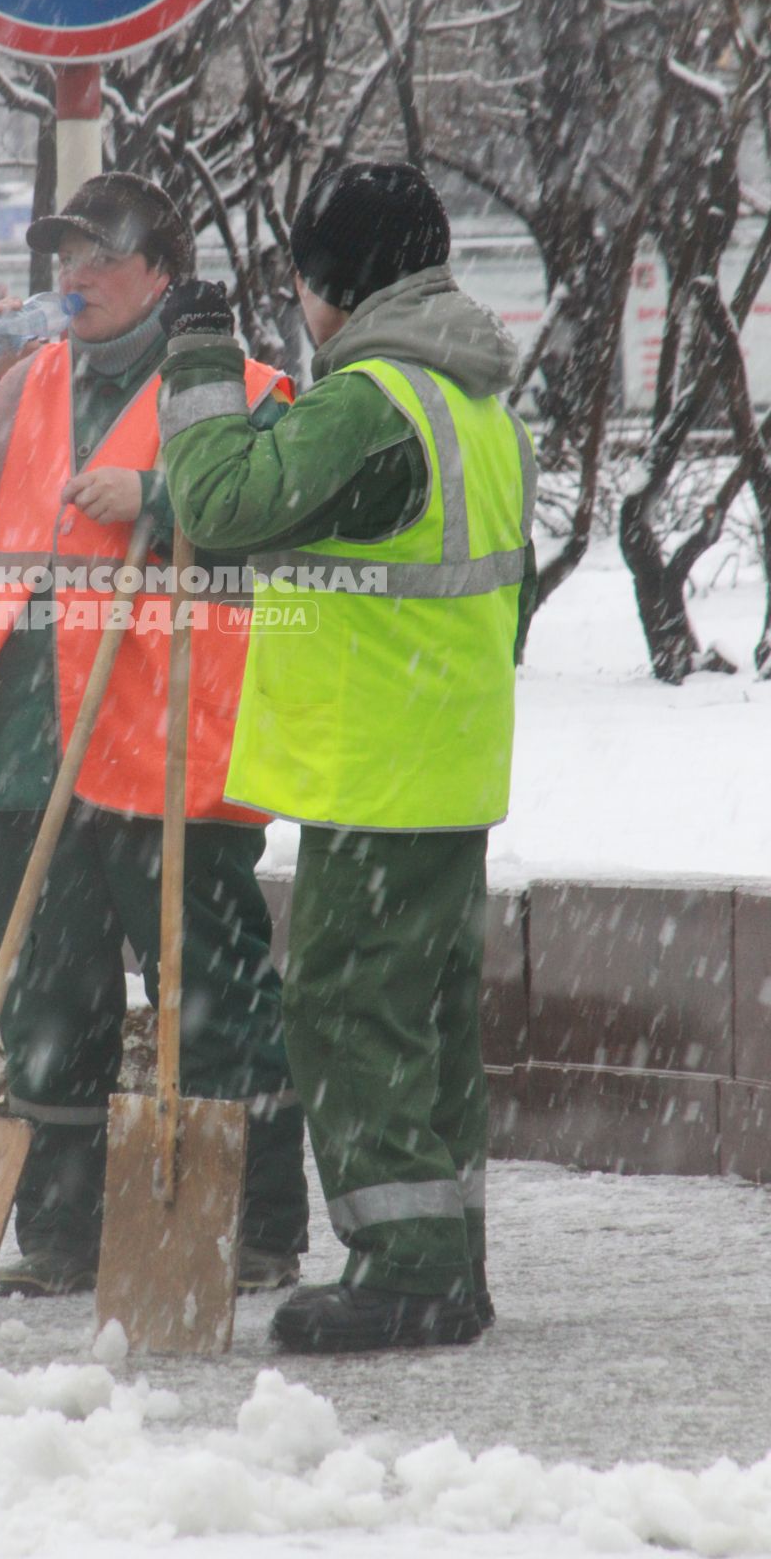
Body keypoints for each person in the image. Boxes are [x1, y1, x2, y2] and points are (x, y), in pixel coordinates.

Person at [0, 171, 309, 1297]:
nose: (75, 278)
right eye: (64, 258)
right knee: (46, 1006)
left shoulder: (234, 384)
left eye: (103, 257)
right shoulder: (17, 384)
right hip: (31, 750)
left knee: (211, 1001)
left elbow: (283, 514)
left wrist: (165, 498)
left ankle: (254, 1227)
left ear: (162, 271)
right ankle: (62, 1237)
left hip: (166, 743)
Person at [156, 159, 537, 1352]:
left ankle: (409, 1268)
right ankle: (446, 1252)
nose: (300, 307)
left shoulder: (372, 399)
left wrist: (200, 364)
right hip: (442, 759)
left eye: (304, 282)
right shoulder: (470, 403)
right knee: (422, 1022)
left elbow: (220, 504)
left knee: (344, 1010)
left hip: (373, 767)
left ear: (340, 280)